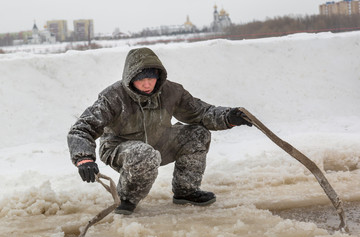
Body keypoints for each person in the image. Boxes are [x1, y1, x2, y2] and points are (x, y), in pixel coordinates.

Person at [67, 47, 252, 215]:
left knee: (198, 133)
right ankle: (127, 198)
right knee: (144, 154)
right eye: (141, 79)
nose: (147, 84)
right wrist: (84, 158)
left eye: (151, 78)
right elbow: (82, 128)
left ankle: (186, 190)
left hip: (159, 141)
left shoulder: (171, 91)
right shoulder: (113, 97)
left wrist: (229, 117)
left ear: (158, 76)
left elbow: (200, 112)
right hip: (120, 148)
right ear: (130, 78)